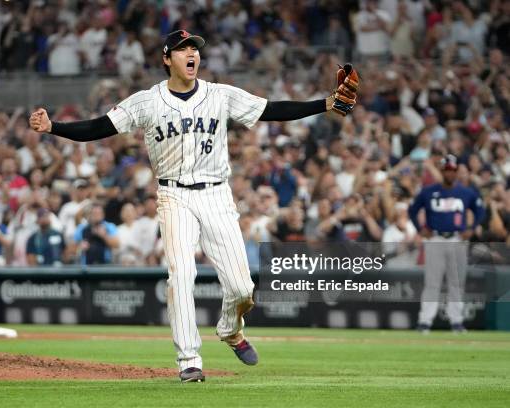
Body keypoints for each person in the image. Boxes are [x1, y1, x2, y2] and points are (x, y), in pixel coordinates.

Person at [29, 30, 357, 382]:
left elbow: (271, 110)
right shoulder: (147, 101)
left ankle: (231, 330)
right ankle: (189, 360)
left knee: (242, 288)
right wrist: (54, 128)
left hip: (216, 194)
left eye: (195, 49)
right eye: (183, 49)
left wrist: (324, 103)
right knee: (181, 275)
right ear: (167, 59)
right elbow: (100, 127)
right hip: (174, 196)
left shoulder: (219, 95)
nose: (192, 54)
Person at [408, 155, 485, 334]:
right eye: (447, 170)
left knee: (456, 283)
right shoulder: (429, 191)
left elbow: (480, 209)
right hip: (435, 239)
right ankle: (425, 321)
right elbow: (412, 210)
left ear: (456, 171)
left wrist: (472, 228)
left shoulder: (465, 192)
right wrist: (420, 228)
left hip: (457, 239)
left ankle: (457, 321)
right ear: (442, 171)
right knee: (432, 282)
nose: (450, 173)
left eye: (452, 170)